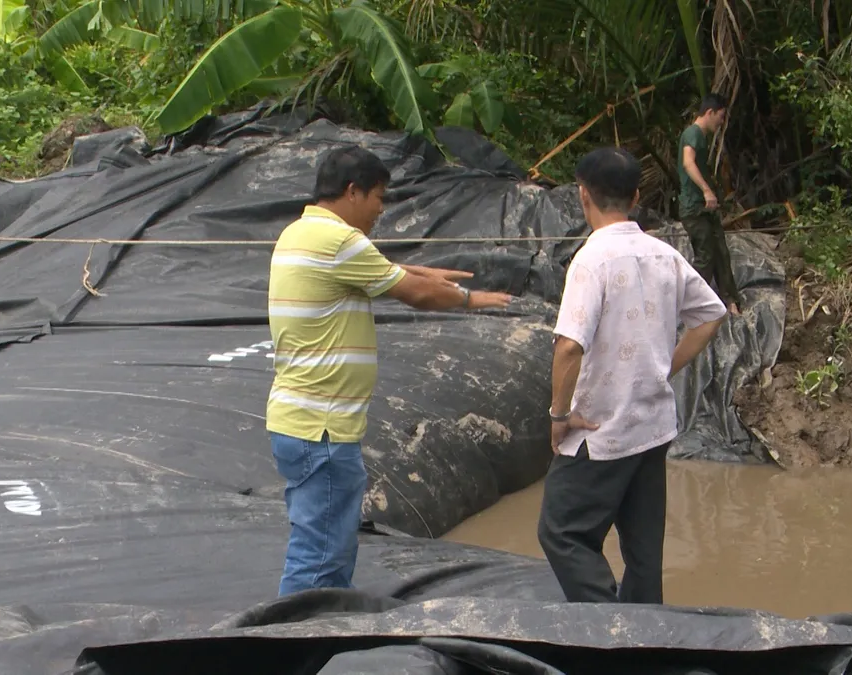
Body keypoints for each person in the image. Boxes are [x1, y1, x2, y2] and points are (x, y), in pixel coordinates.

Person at [268, 145, 512, 596]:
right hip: (321, 428)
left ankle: (318, 633)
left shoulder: (300, 234)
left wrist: (422, 272)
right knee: (317, 555)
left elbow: (377, 269)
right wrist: (473, 300)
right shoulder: (340, 241)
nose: (381, 209)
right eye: (378, 197)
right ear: (352, 191)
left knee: (329, 548)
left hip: (302, 422)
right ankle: (289, 644)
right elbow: (413, 294)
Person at [538, 147, 727, 604]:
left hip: (602, 426)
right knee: (643, 551)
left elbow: (568, 345)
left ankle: (609, 631)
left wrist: (558, 414)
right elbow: (710, 316)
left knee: (561, 531)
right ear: (637, 196)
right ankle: (647, 638)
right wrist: (666, 365)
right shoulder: (664, 255)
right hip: (653, 423)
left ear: (583, 195)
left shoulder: (591, 260)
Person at [679, 93, 742, 316]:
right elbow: (688, 162)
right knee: (705, 256)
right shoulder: (693, 134)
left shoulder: (701, 137)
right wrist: (706, 190)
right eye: (721, 117)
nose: (721, 122)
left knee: (721, 252)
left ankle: (730, 301)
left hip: (705, 207)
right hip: (694, 207)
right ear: (710, 113)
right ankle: (692, 306)